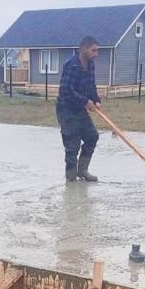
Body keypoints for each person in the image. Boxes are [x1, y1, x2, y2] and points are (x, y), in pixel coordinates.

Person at [56, 36, 102, 182]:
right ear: (83, 49)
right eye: (93, 50)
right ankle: (71, 179)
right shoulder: (72, 66)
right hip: (66, 109)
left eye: (97, 50)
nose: (96, 54)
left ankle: (82, 171)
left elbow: (91, 86)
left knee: (92, 136)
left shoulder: (91, 65)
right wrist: (85, 101)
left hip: (80, 109)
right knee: (72, 146)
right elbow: (65, 90)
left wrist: (96, 100)